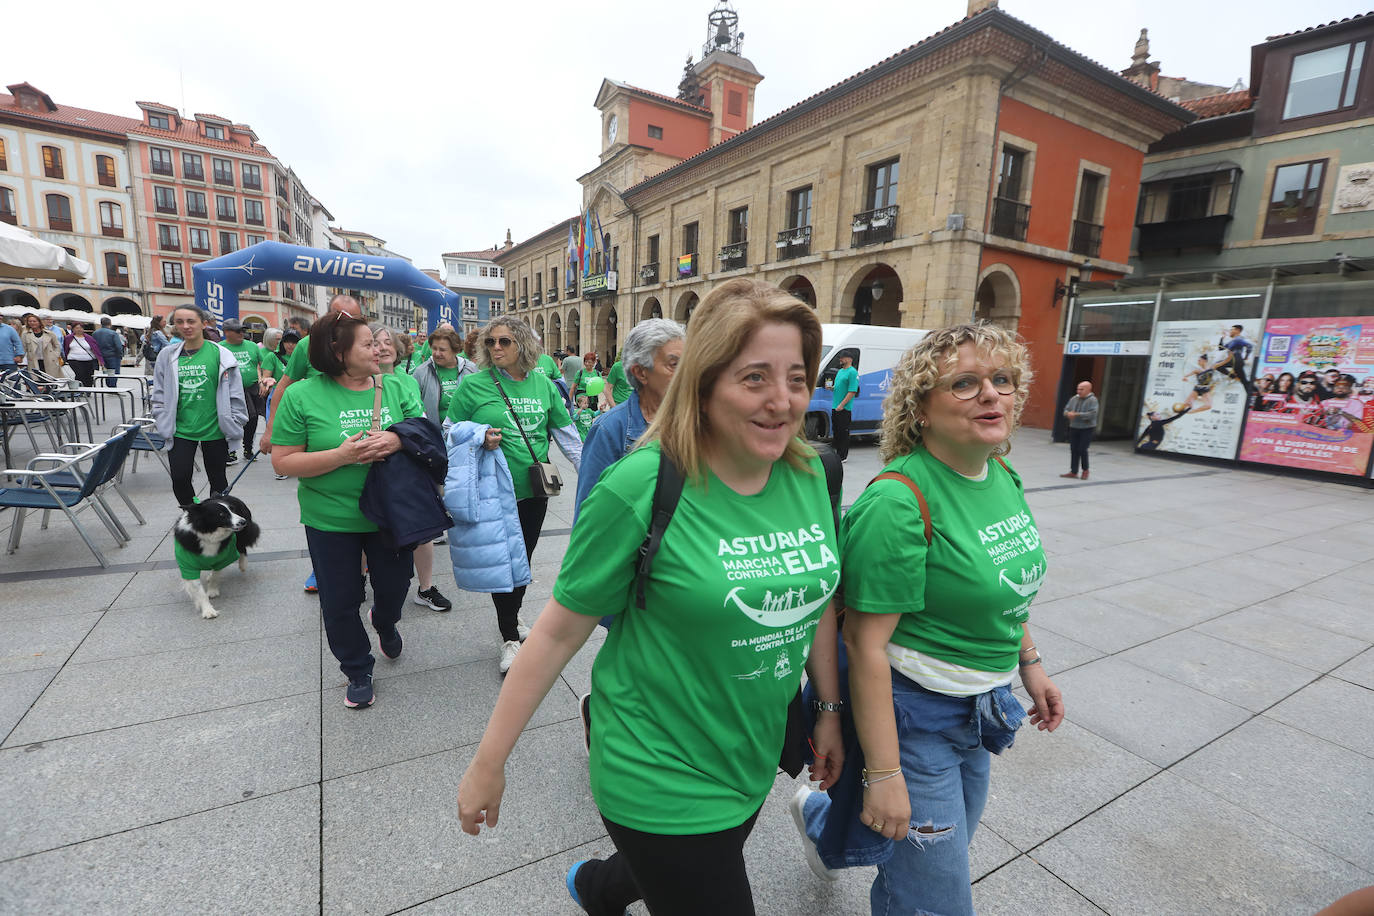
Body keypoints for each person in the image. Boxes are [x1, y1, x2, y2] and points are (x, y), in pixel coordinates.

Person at [457, 278, 844, 916]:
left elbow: (819, 598)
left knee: (676, 870)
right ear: (705, 381)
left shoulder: (806, 471)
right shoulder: (642, 481)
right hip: (656, 765)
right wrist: (488, 762)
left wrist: (826, 708)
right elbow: (555, 633)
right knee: (698, 875)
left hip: (750, 755)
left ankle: (599, 887)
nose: (782, 401)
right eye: (754, 378)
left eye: (796, 378)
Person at [792, 322, 1063, 916]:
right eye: (965, 384)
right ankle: (836, 814)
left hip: (982, 705)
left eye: (1003, 380)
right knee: (936, 900)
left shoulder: (1002, 474)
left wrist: (1031, 664)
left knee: (944, 851)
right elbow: (864, 647)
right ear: (921, 408)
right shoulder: (897, 502)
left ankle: (818, 817)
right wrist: (885, 772)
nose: (992, 394)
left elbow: (1005, 588)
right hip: (914, 718)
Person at [271, 311, 425, 709]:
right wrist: (341, 455)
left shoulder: (396, 386)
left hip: (390, 513)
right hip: (330, 518)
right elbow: (283, 461)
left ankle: (385, 619)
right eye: (367, 343)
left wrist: (395, 442)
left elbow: (424, 435)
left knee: (395, 587)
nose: (378, 348)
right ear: (337, 353)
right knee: (339, 600)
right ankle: (357, 668)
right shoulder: (301, 395)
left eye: (376, 342)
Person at [444, 316, 582, 673]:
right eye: (491, 342)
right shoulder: (474, 385)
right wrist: (478, 434)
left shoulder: (544, 385)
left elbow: (567, 436)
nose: (496, 348)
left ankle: (513, 619)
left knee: (523, 559)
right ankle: (509, 635)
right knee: (503, 562)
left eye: (504, 341)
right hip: (493, 490)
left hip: (534, 489)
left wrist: (595, 476)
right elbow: (448, 431)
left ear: (524, 344)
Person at [369, 322, 454, 614]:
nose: (382, 348)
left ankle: (426, 587)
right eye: (375, 342)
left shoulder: (407, 380)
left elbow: (416, 420)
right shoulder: (357, 380)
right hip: (367, 459)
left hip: (404, 461)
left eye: (387, 342)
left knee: (421, 527)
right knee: (371, 526)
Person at [573, 317, 685, 513]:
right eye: (674, 364)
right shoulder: (608, 429)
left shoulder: (694, 421)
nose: (685, 372)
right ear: (641, 373)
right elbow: (589, 511)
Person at [150, 306, 247, 506]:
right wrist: (160, 416)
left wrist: (236, 420)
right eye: (180, 322)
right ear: (174, 325)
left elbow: (235, 392)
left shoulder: (222, 354)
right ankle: (193, 511)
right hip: (180, 429)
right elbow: (158, 391)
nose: (186, 326)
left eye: (191, 321)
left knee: (218, 480)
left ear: (203, 324)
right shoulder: (167, 356)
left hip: (216, 429)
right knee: (180, 477)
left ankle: (217, 516)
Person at [219, 319, 265, 464]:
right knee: (232, 420)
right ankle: (230, 451)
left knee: (252, 420)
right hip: (230, 390)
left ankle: (248, 449)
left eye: (242, 330)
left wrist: (263, 379)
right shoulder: (219, 348)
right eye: (238, 331)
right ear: (227, 333)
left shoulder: (252, 346)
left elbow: (262, 365)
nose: (241, 333)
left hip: (251, 388)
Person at [412, 326, 476, 423]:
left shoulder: (471, 369)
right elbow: (414, 406)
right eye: (434, 349)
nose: (437, 353)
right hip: (434, 433)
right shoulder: (422, 372)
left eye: (442, 350)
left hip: (466, 432)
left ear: (455, 350)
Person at [1061, 379, 1098, 479]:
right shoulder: (1074, 398)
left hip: (1087, 428)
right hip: (1074, 427)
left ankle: (1085, 470)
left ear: (1088, 390)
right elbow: (1065, 410)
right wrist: (1068, 414)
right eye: (1078, 389)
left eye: (1081, 389)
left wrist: (1076, 415)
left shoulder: (1093, 400)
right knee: (1073, 449)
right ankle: (1073, 471)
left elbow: (1092, 414)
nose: (1079, 391)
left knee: (1082, 449)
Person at [830, 353, 860, 460]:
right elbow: (840, 386)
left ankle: (843, 456)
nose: (840, 360)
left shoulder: (852, 372)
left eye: (842, 358)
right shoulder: (840, 371)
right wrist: (832, 387)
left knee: (843, 432)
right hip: (835, 406)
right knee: (836, 431)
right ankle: (837, 454)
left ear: (849, 359)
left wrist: (842, 405)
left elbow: (852, 391)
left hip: (844, 408)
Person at [62, 321, 106, 386]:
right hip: (74, 360)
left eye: (80, 328)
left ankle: (88, 391)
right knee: (80, 374)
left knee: (89, 376)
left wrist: (101, 361)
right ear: (73, 329)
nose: (79, 329)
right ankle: (79, 390)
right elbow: (65, 348)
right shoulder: (68, 338)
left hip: (88, 360)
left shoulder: (89, 338)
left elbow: (96, 349)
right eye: (77, 328)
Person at [1217, 324, 1253, 392]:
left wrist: (1246, 357)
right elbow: (1221, 348)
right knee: (1244, 381)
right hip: (1234, 360)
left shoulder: (1238, 339)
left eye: (1232, 329)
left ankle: (1233, 376)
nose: (1230, 331)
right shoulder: (1232, 341)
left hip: (1236, 359)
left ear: (1237, 330)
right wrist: (1222, 338)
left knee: (1217, 365)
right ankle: (1254, 392)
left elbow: (1249, 346)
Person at [92, 316, 126, 386]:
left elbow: (94, 345)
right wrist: (120, 355)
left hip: (101, 356)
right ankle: (112, 387)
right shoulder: (113, 333)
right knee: (114, 372)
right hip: (113, 356)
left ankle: (108, 386)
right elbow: (118, 346)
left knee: (106, 372)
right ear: (110, 324)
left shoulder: (95, 333)